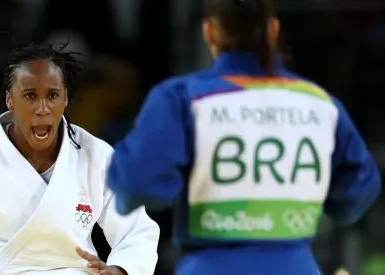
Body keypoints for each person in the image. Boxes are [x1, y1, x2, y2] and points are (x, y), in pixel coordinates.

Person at [105, 0, 382, 274]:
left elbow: (136, 183)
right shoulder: (320, 104)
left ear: (209, 32)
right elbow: (358, 190)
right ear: (273, 30)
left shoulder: (183, 98)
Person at [0, 41, 160, 275]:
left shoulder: (98, 156)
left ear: (66, 98)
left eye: (52, 95)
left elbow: (136, 231)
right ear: (10, 100)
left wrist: (121, 269)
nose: (42, 109)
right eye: (30, 96)